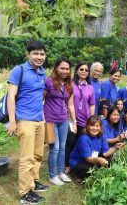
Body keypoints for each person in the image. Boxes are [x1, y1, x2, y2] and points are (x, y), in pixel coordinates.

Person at [7, 40, 48, 204]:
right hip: (24, 120)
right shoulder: (19, 70)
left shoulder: (42, 71)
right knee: (26, 158)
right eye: (35, 53)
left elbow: (38, 96)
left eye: (42, 54)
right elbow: (11, 96)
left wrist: (43, 116)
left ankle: (33, 181)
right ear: (28, 54)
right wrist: (12, 121)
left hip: (39, 120)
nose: (39, 57)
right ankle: (25, 193)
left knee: (38, 155)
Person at [43, 57, 77, 186]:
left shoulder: (69, 85)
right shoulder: (48, 81)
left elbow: (71, 105)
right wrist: (42, 118)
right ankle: (53, 175)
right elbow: (41, 99)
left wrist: (74, 121)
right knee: (54, 148)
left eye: (67, 69)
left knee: (62, 147)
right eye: (62, 68)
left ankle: (61, 172)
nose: (65, 71)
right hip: (50, 120)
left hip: (63, 120)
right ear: (56, 68)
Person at [69, 115, 123, 181]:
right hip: (79, 162)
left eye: (97, 126)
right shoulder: (84, 138)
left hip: (93, 158)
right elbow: (88, 159)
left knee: (109, 159)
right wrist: (99, 160)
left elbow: (105, 153)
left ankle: (92, 174)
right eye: (92, 125)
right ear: (88, 126)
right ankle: (77, 174)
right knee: (90, 168)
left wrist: (115, 147)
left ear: (100, 127)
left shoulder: (102, 137)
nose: (95, 128)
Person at [65, 61, 95, 172]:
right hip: (72, 120)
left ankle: (77, 164)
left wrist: (91, 119)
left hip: (85, 120)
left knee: (80, 142)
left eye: (86, 70)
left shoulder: (90, 88)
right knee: (70, 142)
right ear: (77, 71)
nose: (84, 72)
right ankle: (67, 165)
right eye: (81, 69)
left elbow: (92, 104)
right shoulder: (70, 84)